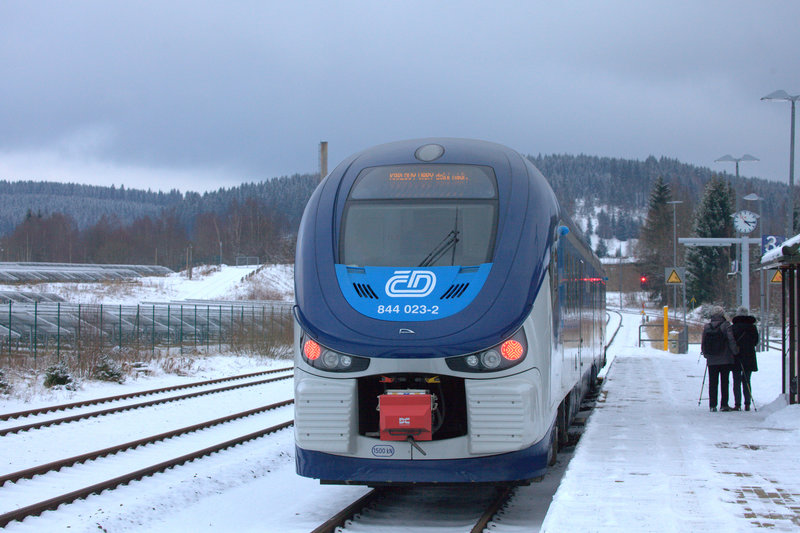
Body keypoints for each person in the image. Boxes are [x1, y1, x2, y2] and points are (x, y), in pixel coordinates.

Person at [701, 305, 738, 412]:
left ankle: (712, 405)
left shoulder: (707, 326)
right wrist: (735, 351)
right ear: (722, 314)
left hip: (712, 359)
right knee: (724, 382)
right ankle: (724, 404)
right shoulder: (726, 325)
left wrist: (705, 353)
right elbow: (731, 340)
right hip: (725, 358)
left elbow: (703, 342)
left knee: (712, 382)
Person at [731, 306, 759, 411]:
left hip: (737, 355)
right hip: (749, 356)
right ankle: (747, 403)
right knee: (747, 380)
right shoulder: (752, 327)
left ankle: (737, 404)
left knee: (736, 380)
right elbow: (756, 341)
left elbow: (731, 341)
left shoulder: (734, 327)